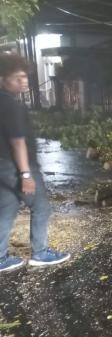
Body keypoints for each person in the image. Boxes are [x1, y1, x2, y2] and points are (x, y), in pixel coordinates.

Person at [0, 54, 70, 272]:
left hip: (2, 167)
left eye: (24, 77)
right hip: (16, 166)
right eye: (17, 77)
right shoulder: (12, 105)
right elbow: (18, 142)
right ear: (3, 79)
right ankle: (41, 252)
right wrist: (26, 175)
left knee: (7, 209)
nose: (24, 81)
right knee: (41, 206)